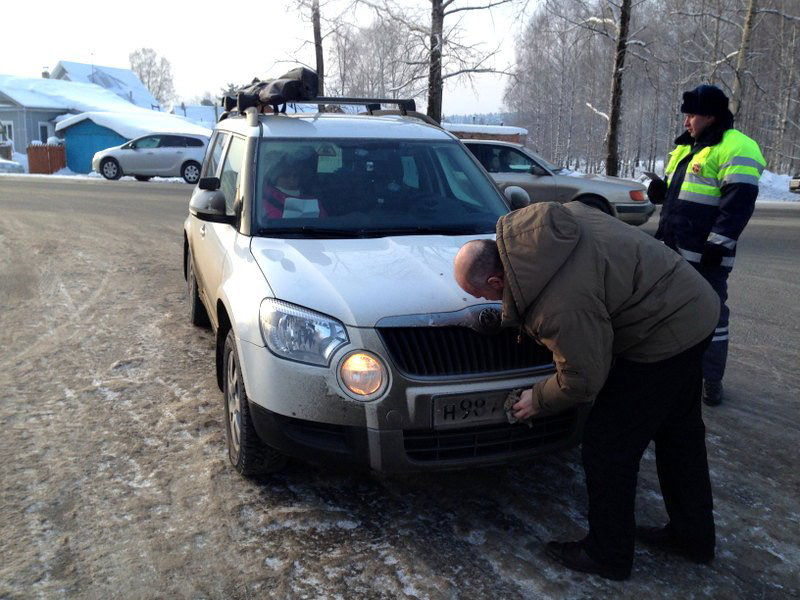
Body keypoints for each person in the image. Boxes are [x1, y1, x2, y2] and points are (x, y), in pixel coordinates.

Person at [453, 201, 720, 581]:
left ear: (496, 281)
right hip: (692, 301)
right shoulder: (542, 228)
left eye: (482, 295)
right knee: (680, 433)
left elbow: (583, 378)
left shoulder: (560, 306)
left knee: (608, 446)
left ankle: (607, 554)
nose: (484, 302)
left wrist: (538, 398)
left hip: (663, 333)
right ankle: (693, 536)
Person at [648, 84, 766, 406]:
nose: (686, 121)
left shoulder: (736, 147)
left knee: (712, 319)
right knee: (669, 314)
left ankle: (710, 380)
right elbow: (682, 194)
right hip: (672, 250)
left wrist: (718, 244)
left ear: (710, 116)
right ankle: (674, 373)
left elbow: (738, 204)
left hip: (708, 257)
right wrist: (662, 191)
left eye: (692, 114)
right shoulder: (689, 147)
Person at [262, 151, 325, 219]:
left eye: (295, 176)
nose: (291, 180)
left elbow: (324, 222)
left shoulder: (313, 201)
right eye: (286, 175)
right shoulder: (265, 198)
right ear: (275, 177)